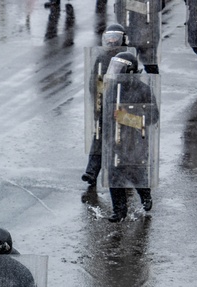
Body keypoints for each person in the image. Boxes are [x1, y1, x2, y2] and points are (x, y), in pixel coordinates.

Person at [102, 51, 158, 222]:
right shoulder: (112, 89)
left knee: (135, 173)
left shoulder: (143, 90)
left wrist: (127, 117)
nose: (116, 72)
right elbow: (106, 114)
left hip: (135, 141)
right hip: (115, 141)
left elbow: (153, 116)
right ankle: (119, 211)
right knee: (113, 174)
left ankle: (145, 194)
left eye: (120, 68)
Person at [82, 24, 128, 185]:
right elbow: (95, 82)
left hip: (123, 108)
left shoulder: (128, 58)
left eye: (116, 37)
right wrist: (99, 103)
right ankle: (91, 172)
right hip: (106, 106)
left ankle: (125, 171)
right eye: (109, 37)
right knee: (99, 137)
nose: (112, 40)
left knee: (124, 140)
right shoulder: (101, 58)